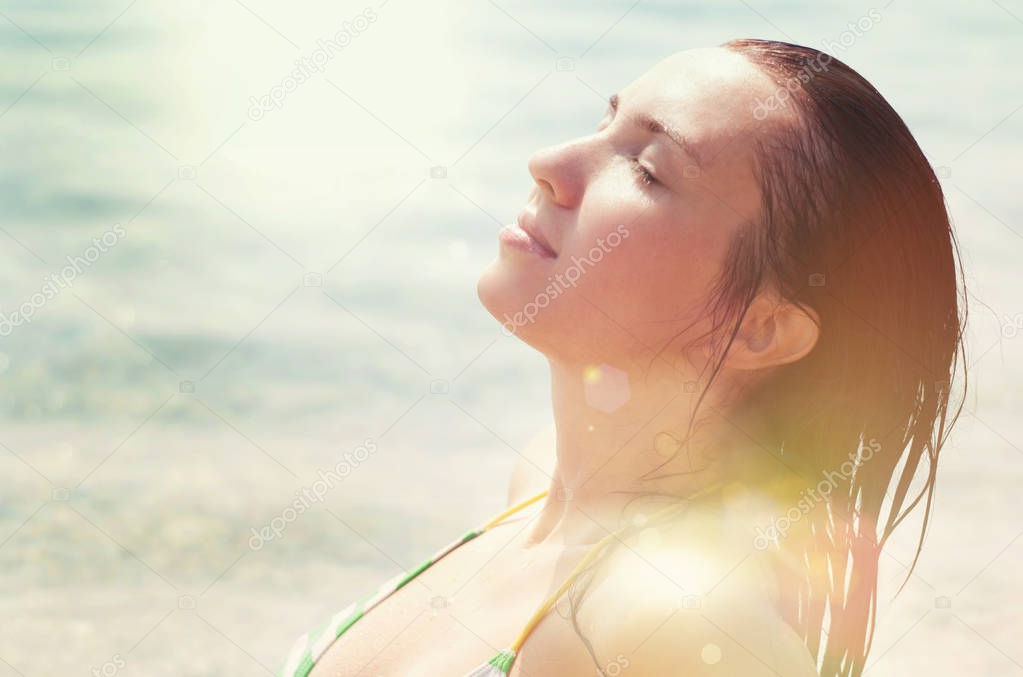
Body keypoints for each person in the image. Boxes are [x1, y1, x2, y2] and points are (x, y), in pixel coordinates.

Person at [281, 38, 966, 677]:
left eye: (647, 169)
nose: (548, 164)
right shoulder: (547, 484)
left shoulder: (676, 617)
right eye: (605, 123)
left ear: (762, 328)